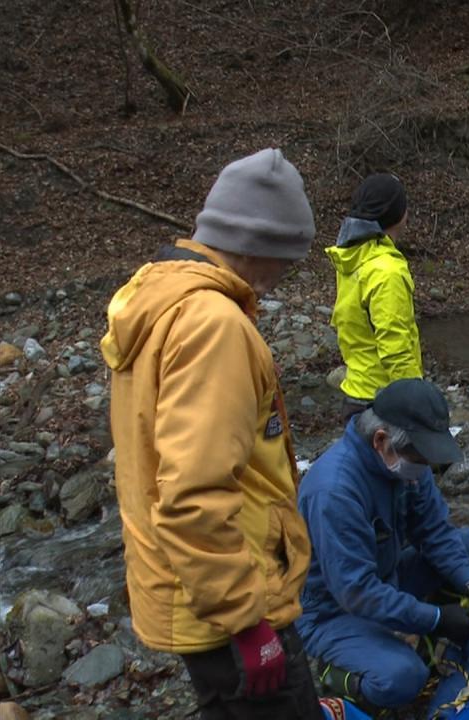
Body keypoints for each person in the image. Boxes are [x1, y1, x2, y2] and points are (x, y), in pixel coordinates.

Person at [101, 149, 324, 719]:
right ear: (253, 245)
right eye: (284, 259)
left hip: (189, 593)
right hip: (230, 607)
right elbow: (193, 495)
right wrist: (249, 626)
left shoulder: (160, 299)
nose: (281, 276)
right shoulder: (213, 326)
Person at [296, 378, 469, 710]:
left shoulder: (405, 466)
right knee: (403, 677)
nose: (424, 469)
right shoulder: (335, 492)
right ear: (381, 440)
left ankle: (415, 626)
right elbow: (357, 592)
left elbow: (435, 531)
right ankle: (339, 672)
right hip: (332, 610)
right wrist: (436, 618)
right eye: (420, 457)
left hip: (387, 575)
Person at [327, 173, 423, 421]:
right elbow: (395, 346)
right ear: (398, 214)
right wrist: (416, 403)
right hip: (383, 404)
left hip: (356, 396)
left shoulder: (352, 258)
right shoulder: (386, 270)